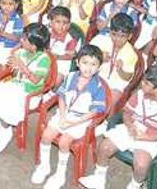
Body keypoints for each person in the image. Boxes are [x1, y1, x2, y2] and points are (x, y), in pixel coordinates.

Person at [79, 64, 157, 189]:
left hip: (151, 137)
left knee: (141, 165)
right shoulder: (139, 94)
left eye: (146, 83)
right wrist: (130, 125)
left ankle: (135, 185)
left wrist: (146, 137)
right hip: (132, 127)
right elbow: (126, 112)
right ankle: (99, 177)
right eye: (143, 80)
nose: (142, 84)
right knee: (104, 147)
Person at [31, 44, 107, 189]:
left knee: (64, 142)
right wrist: (62, 116)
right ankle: (44, 167)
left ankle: (60, 174)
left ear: (99, 67)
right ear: (77, 63)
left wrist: (72, 123)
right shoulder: (71, 76)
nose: (88, 68)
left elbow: (95, 112)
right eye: (85, 62)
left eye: (93, 64)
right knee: (46, 135)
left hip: (81, 120)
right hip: (65, 114)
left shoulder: (98, 87)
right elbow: (61, 97)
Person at [0, 22, 52, 153]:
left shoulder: (44, 59)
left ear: (33, 45)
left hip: (31, 92)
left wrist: (21, 66)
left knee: (5, 104)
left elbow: (35, 80)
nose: (21, 40)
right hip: (16, 86)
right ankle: (4, 131)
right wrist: (14, 67)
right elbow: (14, 73)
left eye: (25, 39)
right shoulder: (21, 52)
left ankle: (5, 129)